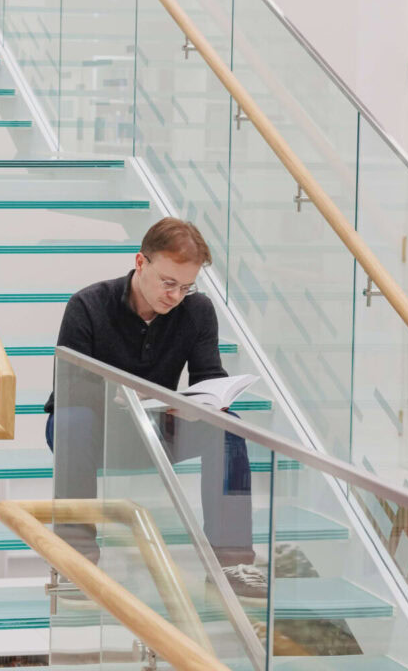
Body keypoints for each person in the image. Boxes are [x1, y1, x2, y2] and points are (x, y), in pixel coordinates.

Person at [43, 217, 265, 602]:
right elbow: (70, 389)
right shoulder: (88, 304)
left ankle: (231, 562)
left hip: (157, 426)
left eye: (186, 287)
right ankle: (75, 560)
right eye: (168, 283)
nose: (176, 296)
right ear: (140, 263)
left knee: (228, 425)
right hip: (91, 428)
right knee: (72, 419)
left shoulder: (197, 312)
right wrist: (119, 396)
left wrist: (204, 404)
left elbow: (208, 376)